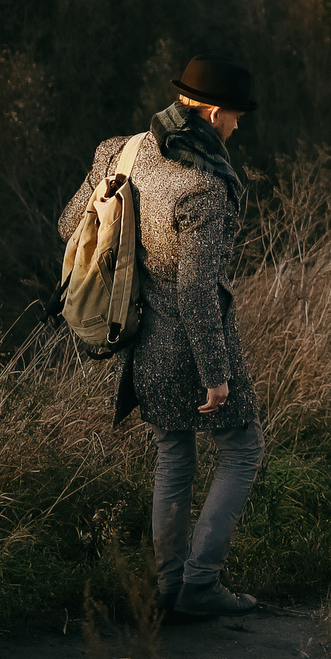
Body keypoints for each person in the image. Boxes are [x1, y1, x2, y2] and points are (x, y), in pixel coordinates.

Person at [59, 55, 264, 619]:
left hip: (143, 335)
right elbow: (199, 293)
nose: (238, 128)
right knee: (243, 448)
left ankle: (168, 586)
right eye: (236, 118)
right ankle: (200, 584)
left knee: (174, 451)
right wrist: (216, 375)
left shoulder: (120, 151)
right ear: (214, 113)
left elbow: (68, 224)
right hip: (192, 341)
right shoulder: (204, 186)